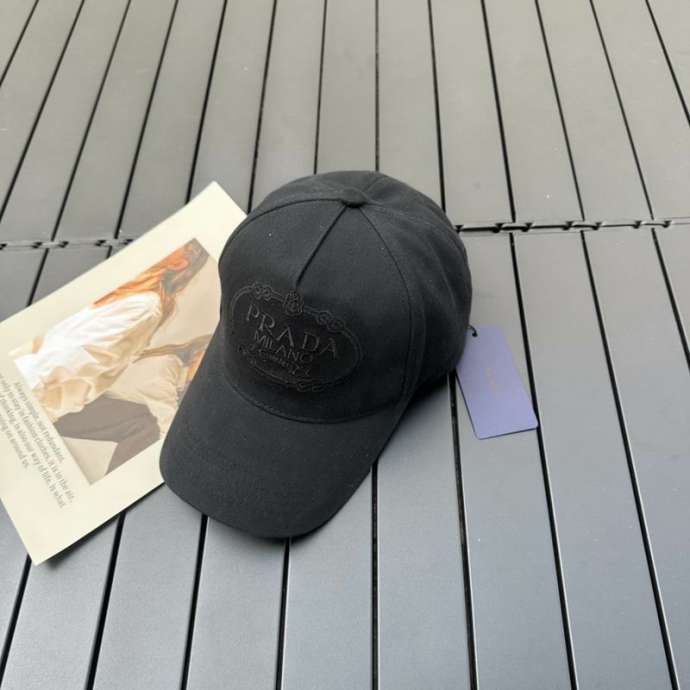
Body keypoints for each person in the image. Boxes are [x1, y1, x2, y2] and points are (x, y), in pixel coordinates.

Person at [14, 241, 207, 422]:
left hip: (25, 398)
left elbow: (67, 359)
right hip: (26, 378)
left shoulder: (143, 307)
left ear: (178, 263)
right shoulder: (123, 287)